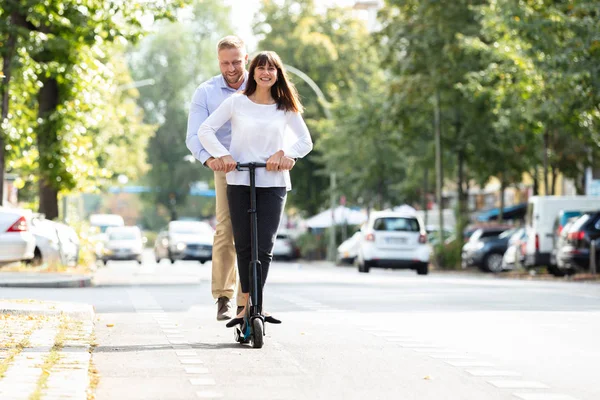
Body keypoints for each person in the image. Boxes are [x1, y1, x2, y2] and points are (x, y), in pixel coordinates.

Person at [197, 51, 313, 327]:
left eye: (271, 68)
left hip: (273, 184)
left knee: (265, 247)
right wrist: (222, 155)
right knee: (245, 246)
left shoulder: (285, 106)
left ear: (278, 74)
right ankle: (244, 307)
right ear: (254, 71)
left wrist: (287, 154)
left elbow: (305, 141)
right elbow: (205, 130)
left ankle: (255, 303)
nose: (266, 72)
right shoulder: (237, 102)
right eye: (261, 68)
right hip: (239, 181)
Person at [186, 36, 248, 321]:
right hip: (225, 167)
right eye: (225, 62)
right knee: (227, 228)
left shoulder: (261, 84)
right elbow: (194, 135)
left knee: (255, 234)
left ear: (245, 58)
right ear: (218, 62)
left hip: (260, 166)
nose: (231, 68)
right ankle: (224, 295)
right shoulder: (206, 92)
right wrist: (210, 160)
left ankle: (250, 299)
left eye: (236, 61)